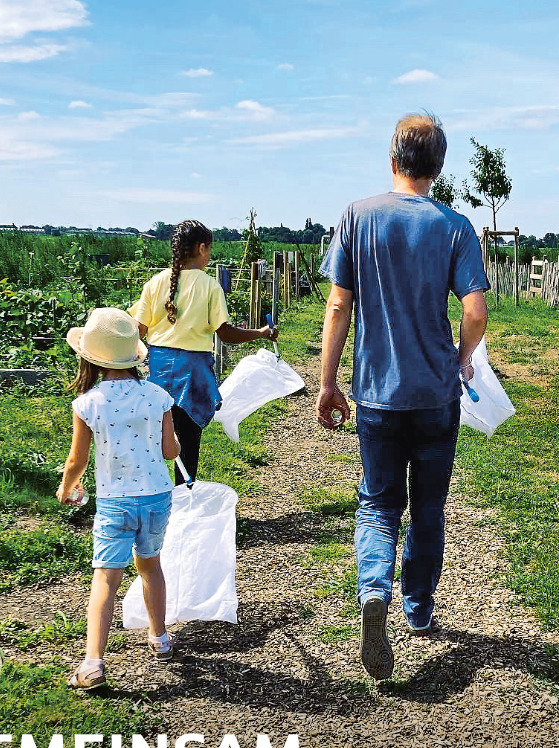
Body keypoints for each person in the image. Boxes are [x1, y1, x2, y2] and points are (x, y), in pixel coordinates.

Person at [316, 112, 489, 680]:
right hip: (436, 394)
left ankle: (374, 591)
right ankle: (417, 609)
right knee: (430, 506)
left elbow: (339, 306)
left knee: (378, 501)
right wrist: (462, 357)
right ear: (438, 167)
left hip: (377, 395)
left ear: (392, 158)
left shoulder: (356, 217)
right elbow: (475, 311)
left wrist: (328, 382)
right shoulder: (457, 228)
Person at [56, 307, 181, 690]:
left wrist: (66, 488)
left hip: (115, 501)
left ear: (90, 358)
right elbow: (171, 450)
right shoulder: (158, 396)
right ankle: (159, 638)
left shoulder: (88, 403)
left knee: (106, 578)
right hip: (157, 496)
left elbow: (78, 459)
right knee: (150, 566)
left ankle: (93, 663)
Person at [133, 219, 279, 484]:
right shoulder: (209, 286)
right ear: (201, 248)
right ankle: (186, 502)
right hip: (193, 375)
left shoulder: (155, 284)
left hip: (160, 372)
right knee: (187, 444)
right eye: (209, 249)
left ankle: (154, 502)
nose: (209, 256)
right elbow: (226, 333)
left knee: (157, 440)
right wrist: (260, 333)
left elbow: (138, 330)